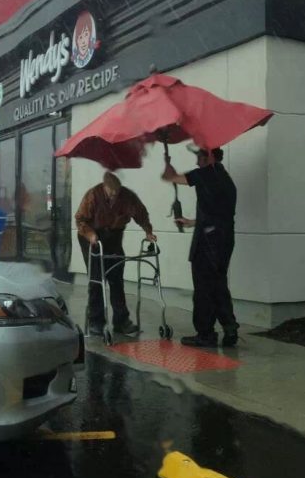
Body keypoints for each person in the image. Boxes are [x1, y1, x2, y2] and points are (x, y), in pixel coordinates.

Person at [161, 147, 239, 347]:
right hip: (224, 240)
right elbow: (219, 213)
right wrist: (193, 222)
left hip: (208, 243)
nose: (197, 162)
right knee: (218, 285)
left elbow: (170, 177)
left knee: (204, 288)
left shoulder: (206, 173)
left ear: (210, 157)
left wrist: (167, 161)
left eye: (199, 157)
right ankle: (230, 329)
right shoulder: (226, 179)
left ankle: (205, 334)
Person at [75, 171, 157, 336]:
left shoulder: (127, 196)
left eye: (116, 193)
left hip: (114, 236)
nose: (114, 196)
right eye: (111, 193)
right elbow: (80, 219)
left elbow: (141, 213)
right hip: (92, 236)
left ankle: (121, 321)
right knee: (97, 279)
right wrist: (90, 234)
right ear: (104, 187)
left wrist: (148, 231)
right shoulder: (93, 195)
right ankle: (96, 321)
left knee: (116, 278)